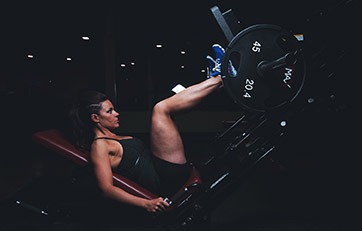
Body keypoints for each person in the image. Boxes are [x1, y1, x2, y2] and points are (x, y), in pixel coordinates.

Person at [68, 45, 227, 213]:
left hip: (162, 169)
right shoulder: (99, 146)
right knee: (161, 109)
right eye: (109, 111)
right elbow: (106, 189)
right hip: (164, 179)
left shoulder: (113, 137)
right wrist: (146, 203)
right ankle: (220, 77)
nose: (116, 113)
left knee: (169, 113)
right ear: (95, 118)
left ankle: (216, 82)